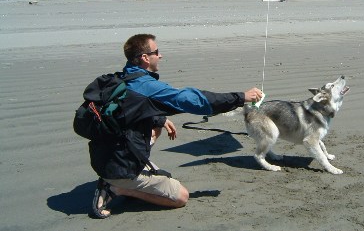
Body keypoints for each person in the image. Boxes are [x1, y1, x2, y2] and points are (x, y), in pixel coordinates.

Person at [90, 33, 262, 218]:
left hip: (103, 156)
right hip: (118, 167)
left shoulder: (123, 77)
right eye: (157, 52)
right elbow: (194, 101)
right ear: (145, 58)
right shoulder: (146, 88)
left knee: (157, 124)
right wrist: (241, 97)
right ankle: (117, 188)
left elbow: (129, 112)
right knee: (180, 197)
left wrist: (160, 120)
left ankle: (123, 176)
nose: (161, 55)